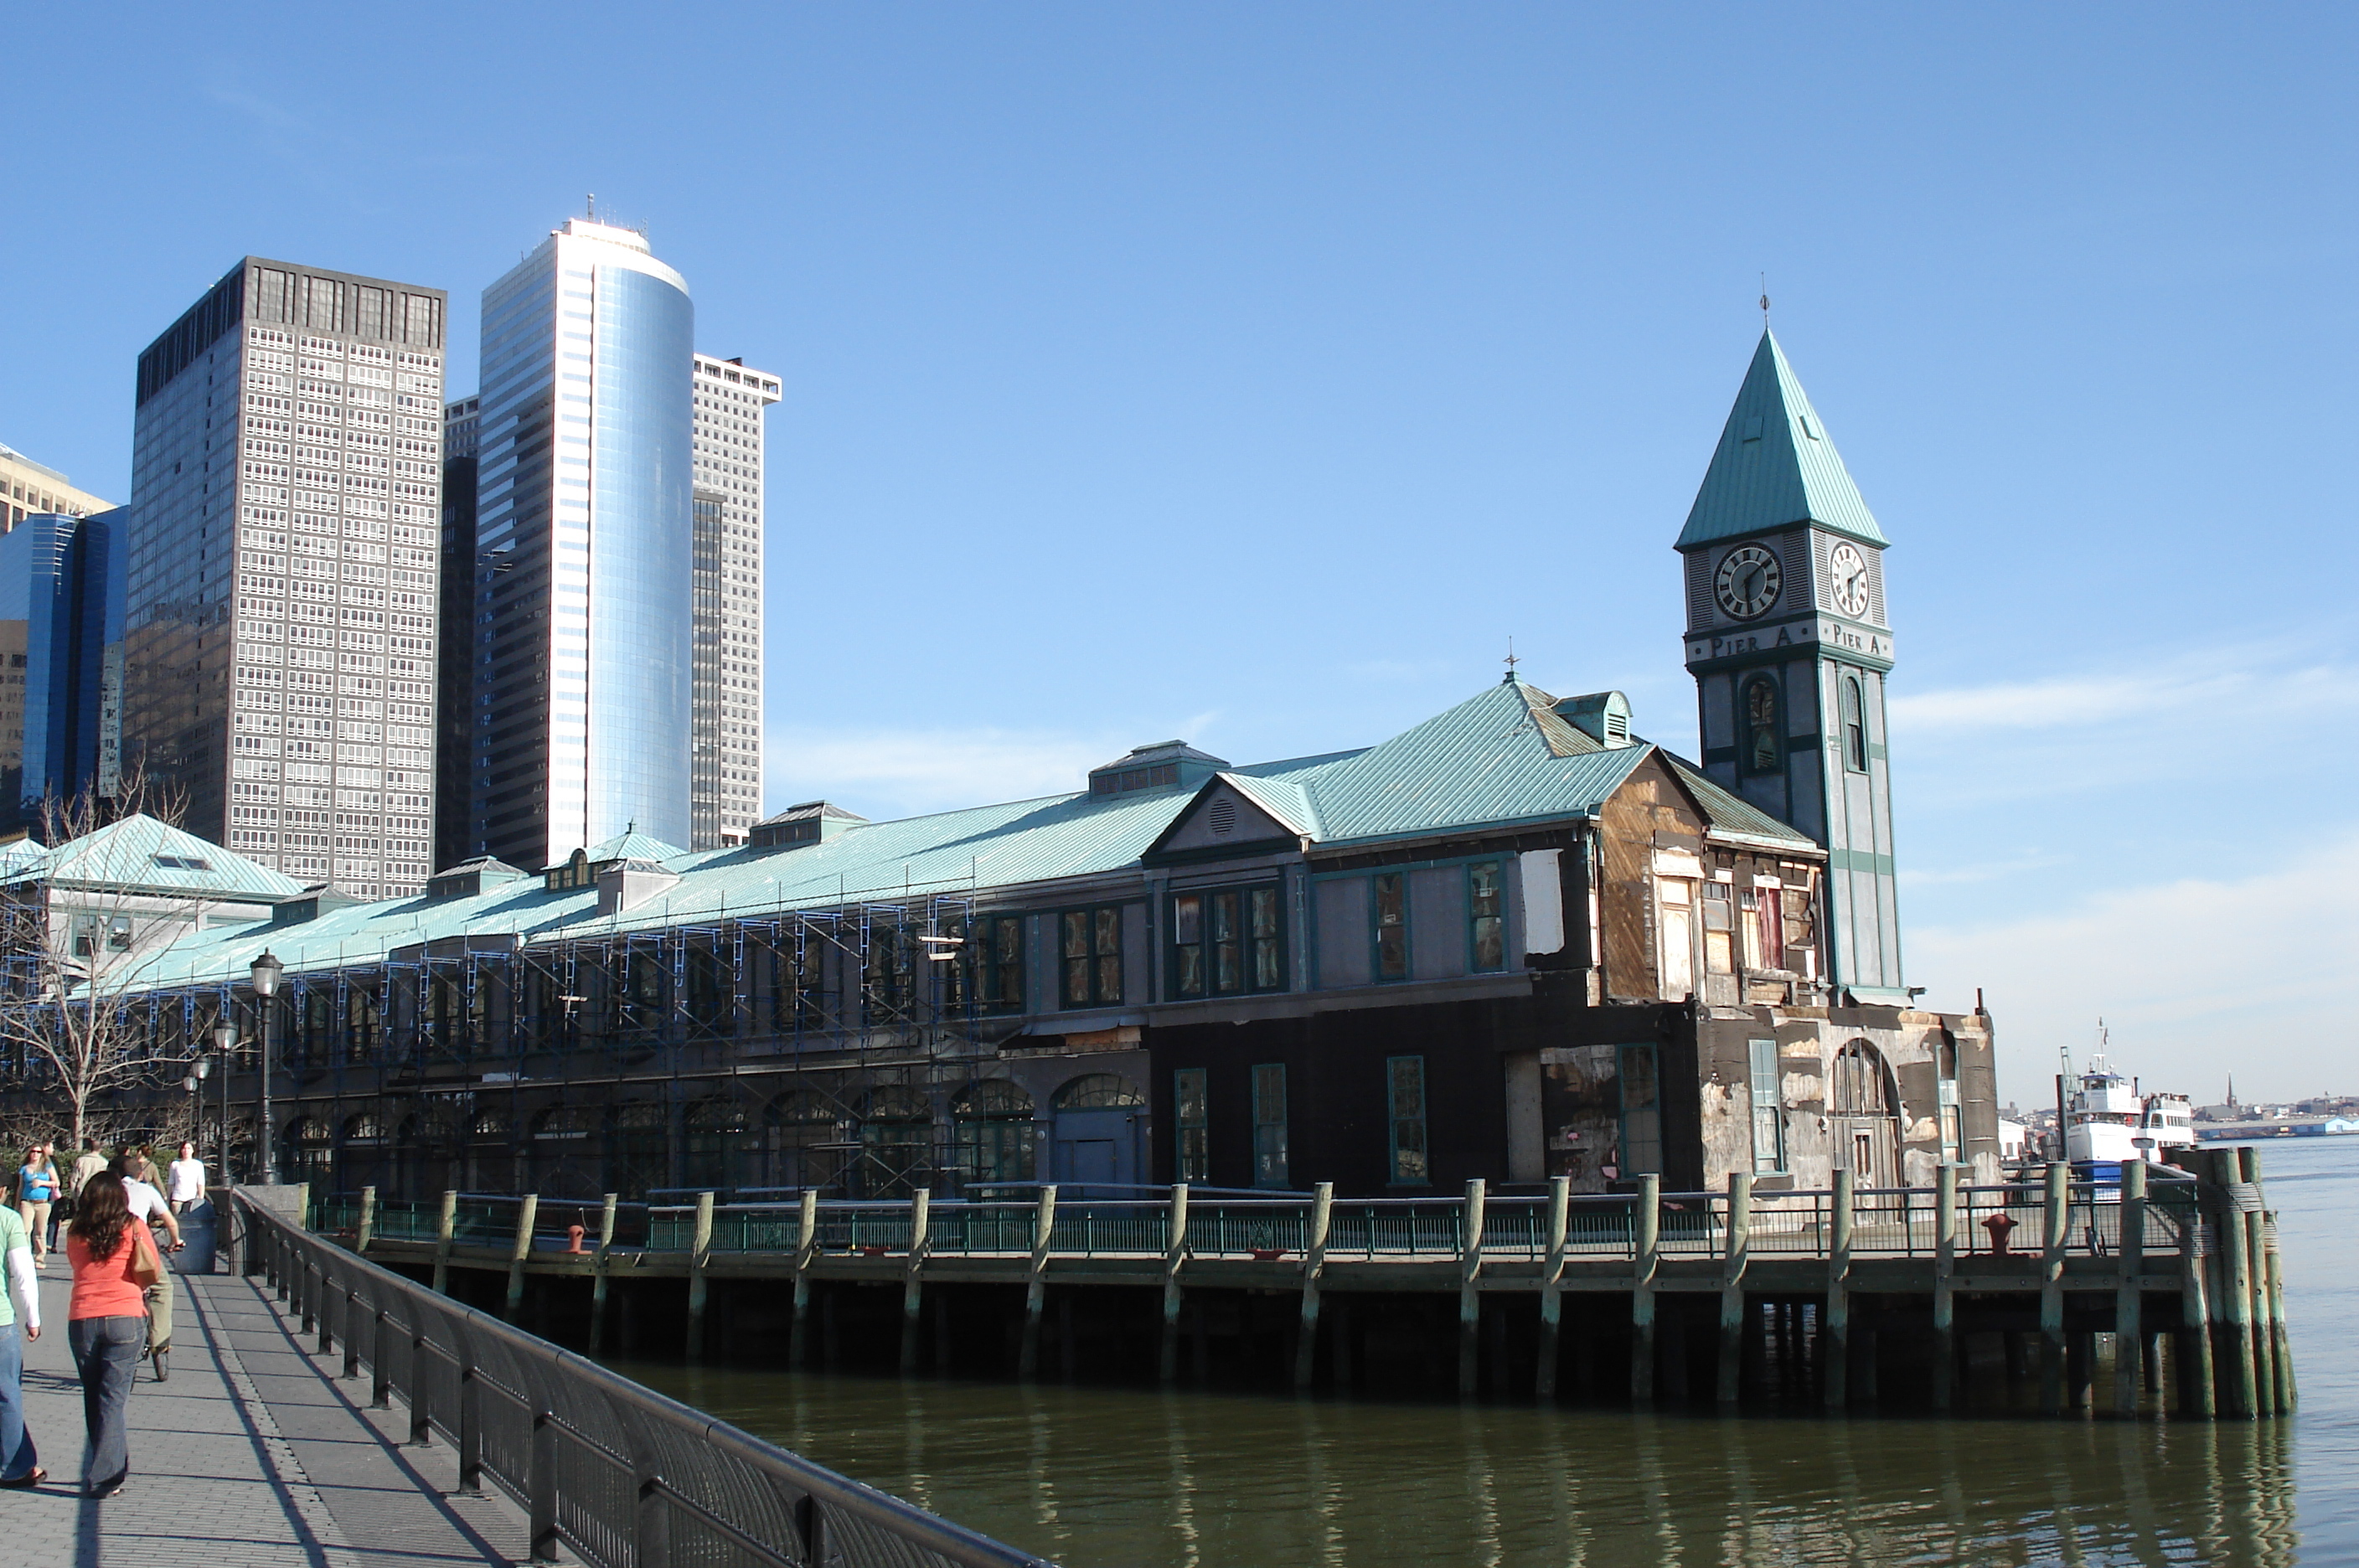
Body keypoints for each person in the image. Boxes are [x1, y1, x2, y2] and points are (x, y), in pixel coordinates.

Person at [66, 1171, 148, 1498]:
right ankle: (106, 1475)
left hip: (83, 1317)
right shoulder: (133, 1227)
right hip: (125, 1317)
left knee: (93, 1394)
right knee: (112, 1399)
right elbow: (150, 1267)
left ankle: (108, 1465)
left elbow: (76, 1266)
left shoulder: (75, 1230)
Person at [112, 1157, 182, 1364]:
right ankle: (159, 1343)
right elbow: (170, 1221)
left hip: (112, 1249)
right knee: (163, 1288)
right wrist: (175, 1240)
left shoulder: (108, 1191)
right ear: (140, 1174)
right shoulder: (147, 1191)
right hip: (140, 1250)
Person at [0, 1187, 42, 1488]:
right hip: (0, 1322)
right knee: (7, 1395)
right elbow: (23, 1272)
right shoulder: (8, 1220)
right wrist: (33, 1318)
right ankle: (13, 1467)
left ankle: (22, 1461)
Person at [14, 1148, 57, 1270]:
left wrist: (42, 1183)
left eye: (38, 1152)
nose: (35, 1154)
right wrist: (17, 1204)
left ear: (42, 1154)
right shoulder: (25, 1168)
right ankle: (26, 1257)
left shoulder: (47, 1166)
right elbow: (20, 1187)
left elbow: (56, 1182)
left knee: (40, 1231)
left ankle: (39, 1258)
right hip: (27, 1202)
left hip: (43, 1203)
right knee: (25, 1230)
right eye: (33, 1151)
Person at [165, 1143, 206, 1216]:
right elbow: (171, 1183)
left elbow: (201, 1183)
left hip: (192, 1199)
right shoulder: (175, 1164)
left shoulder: (198, 1165)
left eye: (189, 1148)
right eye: (184, 1148)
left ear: (193, 1150)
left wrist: (201, 1199)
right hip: (178, 1199)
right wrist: (168, 1199)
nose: (186, 1150)